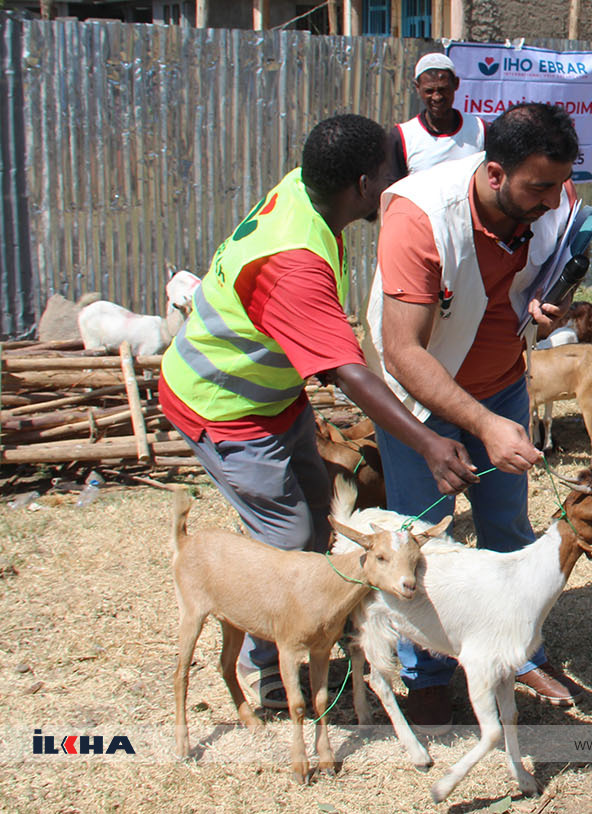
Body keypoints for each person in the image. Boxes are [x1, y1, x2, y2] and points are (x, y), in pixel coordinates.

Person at [158, 114, 478, 709]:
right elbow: (347, 372)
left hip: (270, 397)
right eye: (390, 170)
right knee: (288, 537)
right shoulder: (295, 261)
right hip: (222, 407)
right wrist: (429, 442)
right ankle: (278, 678)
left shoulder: (311, 192)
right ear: (361, 184)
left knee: (326, 516)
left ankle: (318, 637)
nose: (398, 177)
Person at [366, 102, 586, 726]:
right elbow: (404, 351)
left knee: (510, 531)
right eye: (537, 187)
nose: (551, 199)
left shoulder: (551, 196)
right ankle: (430, 674)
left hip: (502, 385)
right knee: (421, 540)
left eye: (557, 185)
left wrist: (554, 305)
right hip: (420, 400)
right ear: (494, 174)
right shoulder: (419, 217)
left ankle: (517, 653)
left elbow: (547, 274)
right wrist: (483, 425)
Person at [388, 52, 484, 178]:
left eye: (443, 89)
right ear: (417, 88)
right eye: (429, 91)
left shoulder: (479, 129)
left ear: (456, 84)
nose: (437, 97)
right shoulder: (402, 137)